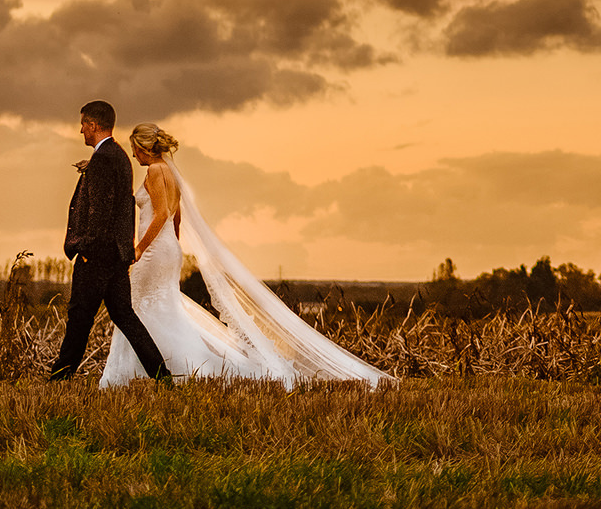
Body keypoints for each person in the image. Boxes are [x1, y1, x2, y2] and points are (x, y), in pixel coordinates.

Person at [98, 121, 391, 389]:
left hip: (154, 251)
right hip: (167, 250)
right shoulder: (170, 173)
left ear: (144, 146)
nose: (134, 154)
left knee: (139, 308)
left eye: (135, 148)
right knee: (161, 309)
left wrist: (139, 248)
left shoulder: (154, 171)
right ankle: (150, 370)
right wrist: (171, 249)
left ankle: (156, 371)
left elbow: (161, 214)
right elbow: (176, 218)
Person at [46, 100, 172, 384]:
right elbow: (122, 205)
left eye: (83, 125)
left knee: (79, 318)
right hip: (116, 256)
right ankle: (162, 376)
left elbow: (100, 211)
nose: (80, 131)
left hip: (97, 257)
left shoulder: (104, 159)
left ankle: (58, 379)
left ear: (93, 124)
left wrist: (87, 249)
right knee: (125, 317)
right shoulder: (117, 157)